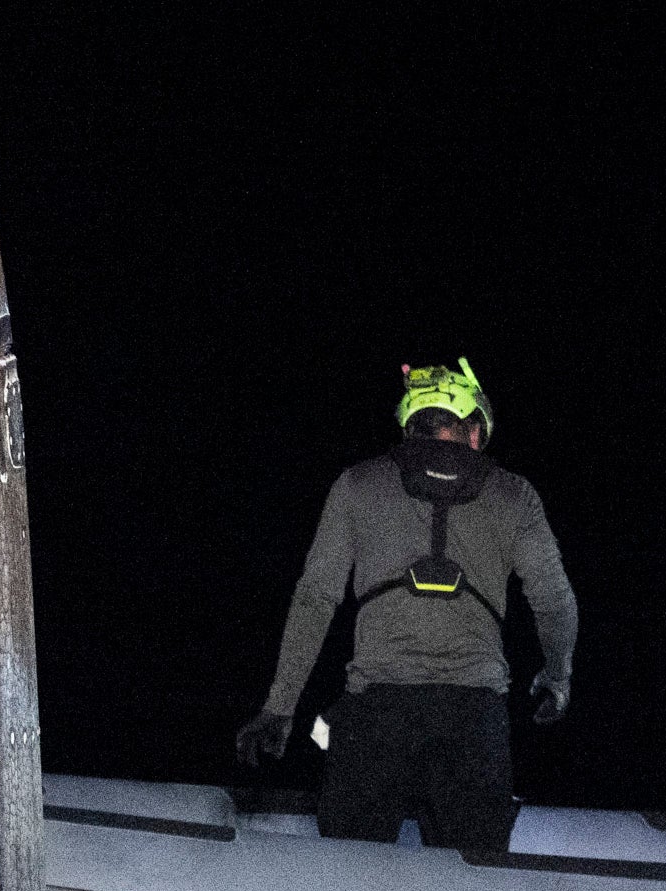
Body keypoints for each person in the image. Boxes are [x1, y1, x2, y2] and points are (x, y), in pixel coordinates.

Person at [237, 359, 577, 851]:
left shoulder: (357, 484)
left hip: (375, 715)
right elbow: (555, 601)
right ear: (473, 429)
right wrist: (557, 676)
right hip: (474, 717)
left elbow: (316, 599)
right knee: (473, 884)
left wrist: (280, 706)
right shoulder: (515, 495)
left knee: (350, 874)